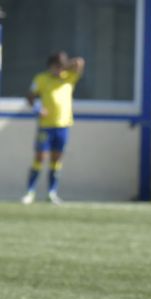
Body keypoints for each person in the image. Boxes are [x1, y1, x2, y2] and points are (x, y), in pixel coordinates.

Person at [21, 51, 85, 205]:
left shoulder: (68, 77)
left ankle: (52, 193)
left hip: (63, 125)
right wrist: (38, 109)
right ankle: (30, 192)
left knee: (56, 159)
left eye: (61, 66)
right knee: (40, 157)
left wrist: (65, 66)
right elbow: (30, 96)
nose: (59, 69)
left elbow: (80, 62)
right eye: (57, 66)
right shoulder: (41, 78)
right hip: (46, 126)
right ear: (50, 66)